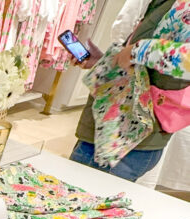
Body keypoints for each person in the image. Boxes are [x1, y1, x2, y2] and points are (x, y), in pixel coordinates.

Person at [70, 0, 190, 182]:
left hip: (133, 136)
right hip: (110, 121)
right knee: (73, 187)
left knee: (87, 191)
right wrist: (107, 62)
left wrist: (137, 51)